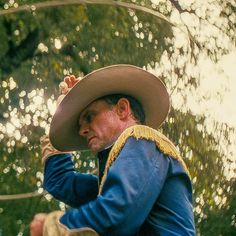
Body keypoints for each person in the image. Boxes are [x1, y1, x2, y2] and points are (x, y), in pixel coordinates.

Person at [40, 64, 196, 235]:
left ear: (122, 109)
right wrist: (61, 110)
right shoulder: (113, 179)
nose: (81, 130)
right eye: (80, 124)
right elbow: (59, 182)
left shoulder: (142, 137)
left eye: (89, 117)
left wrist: (54, 227)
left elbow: (116, 216)